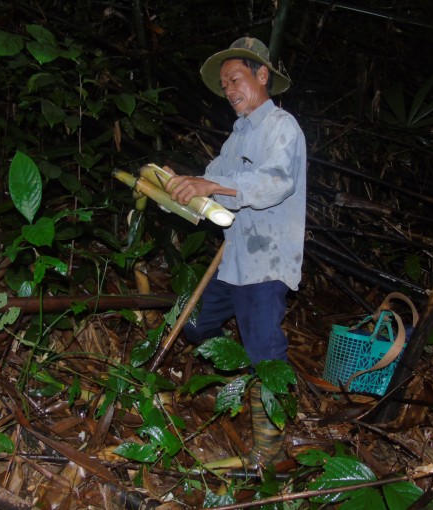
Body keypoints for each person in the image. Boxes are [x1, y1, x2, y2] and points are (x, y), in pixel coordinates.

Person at [164, 37, 307, 467]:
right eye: (224, 84)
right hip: (233, 260)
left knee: (266, 350)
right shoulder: (238, 135)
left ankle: (269, 446)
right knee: (193, 324)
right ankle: (237, 375)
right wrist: (177, 185)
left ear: (262, 76)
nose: (229, 90)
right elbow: (210, 182)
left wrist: (214, 186)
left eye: (235, 79)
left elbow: (275, 182)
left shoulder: (282, 127)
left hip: (266, 262)